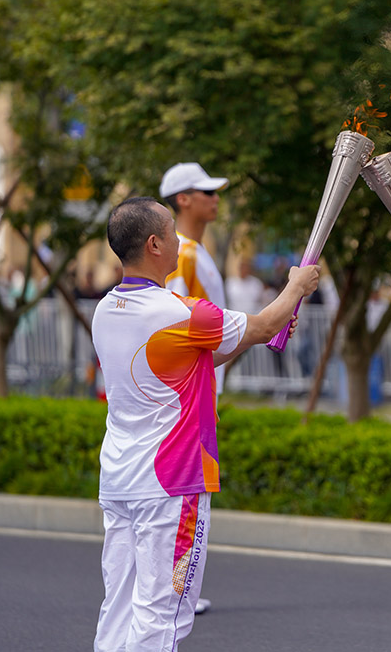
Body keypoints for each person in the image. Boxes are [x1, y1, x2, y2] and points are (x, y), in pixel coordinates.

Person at [91, 197, 318, 651]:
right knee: (162, 613)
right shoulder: (181, 313)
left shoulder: (106, 310)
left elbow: (196, 359)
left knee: (117, 607)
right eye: (173, 232)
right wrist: (296, 287)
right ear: (154, 244)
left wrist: (256, 333)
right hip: (170, 484)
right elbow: (261, 324)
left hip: (120, 480)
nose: (181, 242)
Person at [160, 162, 229, 615]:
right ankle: (174, 588)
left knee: (184, 496)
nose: (214, 197)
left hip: (202, 391)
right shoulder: (178, 255)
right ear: (183, 199)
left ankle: (175, 583)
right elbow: (177, 323)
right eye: (205, 191)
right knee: (183, 496)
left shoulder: (197, 252)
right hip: (186, 398)